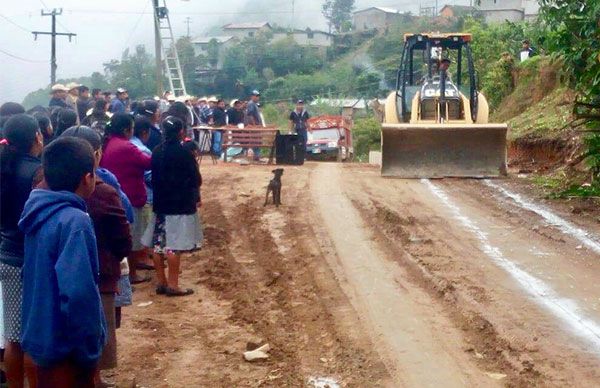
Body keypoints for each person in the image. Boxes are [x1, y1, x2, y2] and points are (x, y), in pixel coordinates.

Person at [18, 137, 105, 388]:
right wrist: (89, 349)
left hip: (42, 336)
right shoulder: (75, 221)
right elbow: (78, 293)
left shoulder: (37, 209)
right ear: (87, 178)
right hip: (66, 345)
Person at [59, 126, 132, 386]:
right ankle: (94, 380)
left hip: (60, 276)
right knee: (96, 332)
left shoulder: (48, 188)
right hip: (101, 273)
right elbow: (124, 235)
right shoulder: (102, 189)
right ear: (97, 153)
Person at [0, 114, 43, 388]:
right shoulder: (37, 173)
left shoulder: (5, 166)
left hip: (6, 254)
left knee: (13, 337)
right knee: (33, 335)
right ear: (37, 137)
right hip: (30, 258)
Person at [142, 116, 202, 297]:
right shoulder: (184, 153)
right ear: (181, 132)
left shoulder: (157, 151)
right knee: (174, 246)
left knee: (158, 244)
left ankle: (161, 281)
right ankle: (174, 285)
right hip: (180, 205)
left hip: (161, 204)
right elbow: (196, 179)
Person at [100, 113, 152, 284]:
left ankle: (133, 270)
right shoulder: (126, 147)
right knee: (131, 237)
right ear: (126, 129)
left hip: (120, 194)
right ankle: (132, 274)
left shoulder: (110, 143)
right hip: (130, 196)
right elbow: (148, 162)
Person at [245, 90, 263, 161]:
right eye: (256, 96)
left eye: (258, 96)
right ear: (252, 96)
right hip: (254, 126)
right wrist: (254, 125)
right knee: (255, 141)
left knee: (257, 141)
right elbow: (250, 115)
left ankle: (257, 156)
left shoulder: (255, 104)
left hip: (257, 126)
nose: (258, 97)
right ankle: (256, 156)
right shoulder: (251, 103)